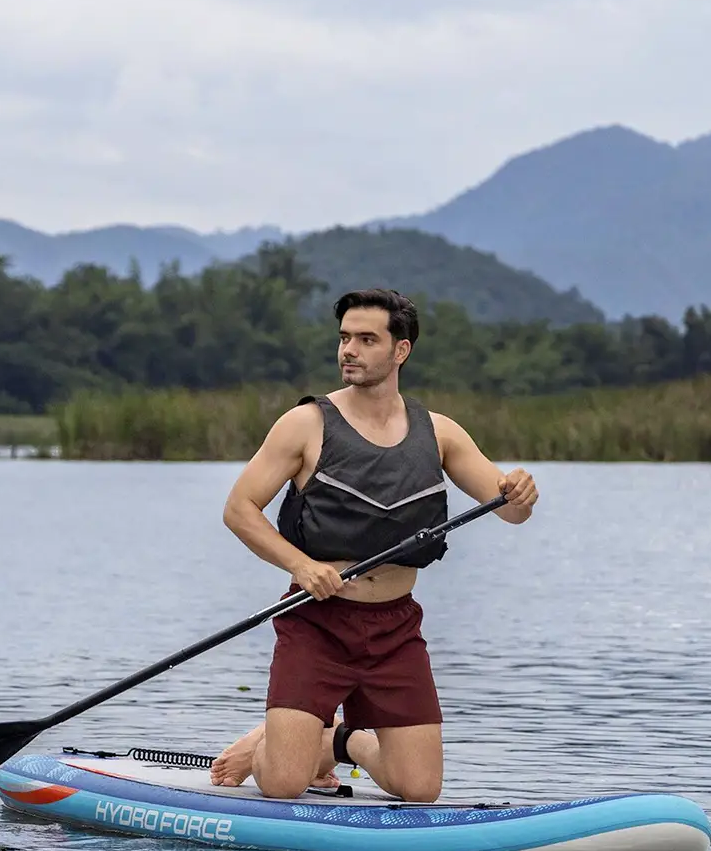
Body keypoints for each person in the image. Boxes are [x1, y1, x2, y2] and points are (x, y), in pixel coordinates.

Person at [210, 288, 537, 802]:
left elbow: (511, 510)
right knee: (283, 786)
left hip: (395, 627)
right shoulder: (306, 424)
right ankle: (270, 746)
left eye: (366, 339)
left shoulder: (440, 433)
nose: (349, 350)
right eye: (344, 338)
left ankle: (338, 741)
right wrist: (302, 565)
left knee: (420, 789)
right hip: (317, 619)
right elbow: (239, 509)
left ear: (400, 350)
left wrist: (519, 491)